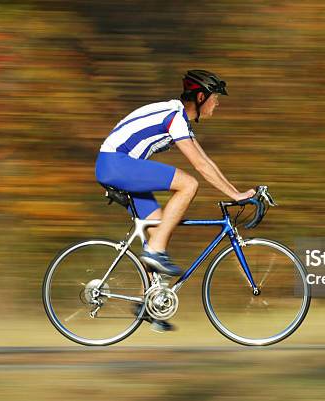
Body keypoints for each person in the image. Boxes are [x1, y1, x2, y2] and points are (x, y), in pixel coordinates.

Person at [95, 70, 255, 331]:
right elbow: (201, 167)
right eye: (216, 98)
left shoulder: (180, 119)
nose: (218, 103)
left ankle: (147, 303)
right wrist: (235, 195)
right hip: (116, 164)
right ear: (201, 97)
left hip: (118, 165)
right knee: (188, 184)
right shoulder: (175, 117)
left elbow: (208, 163)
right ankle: (155, 251)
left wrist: (236, 192)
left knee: (158, 226)